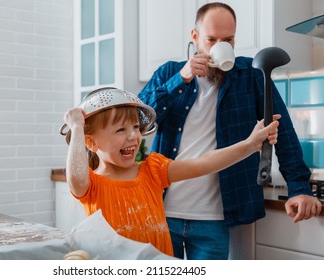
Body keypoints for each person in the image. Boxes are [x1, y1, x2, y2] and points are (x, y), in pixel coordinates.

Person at [138, 2, 322, 260]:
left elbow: (284, 133)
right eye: (211, 39)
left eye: (228, 39)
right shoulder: (169, 72)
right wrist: (181, 78)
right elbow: (138, 120)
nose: (218, 46)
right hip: (161, 212)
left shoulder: (252, 74)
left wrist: (299, 187)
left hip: (216, 219)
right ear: (195, 36)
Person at [62, 87, 279, 257]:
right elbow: (76, 177)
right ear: (90, 142)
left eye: (136, 127)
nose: (133, 137)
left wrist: (249, 145)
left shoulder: (152, 171)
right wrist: (77, 127)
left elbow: (204, 162)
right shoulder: (91, 185)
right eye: (121, 129)